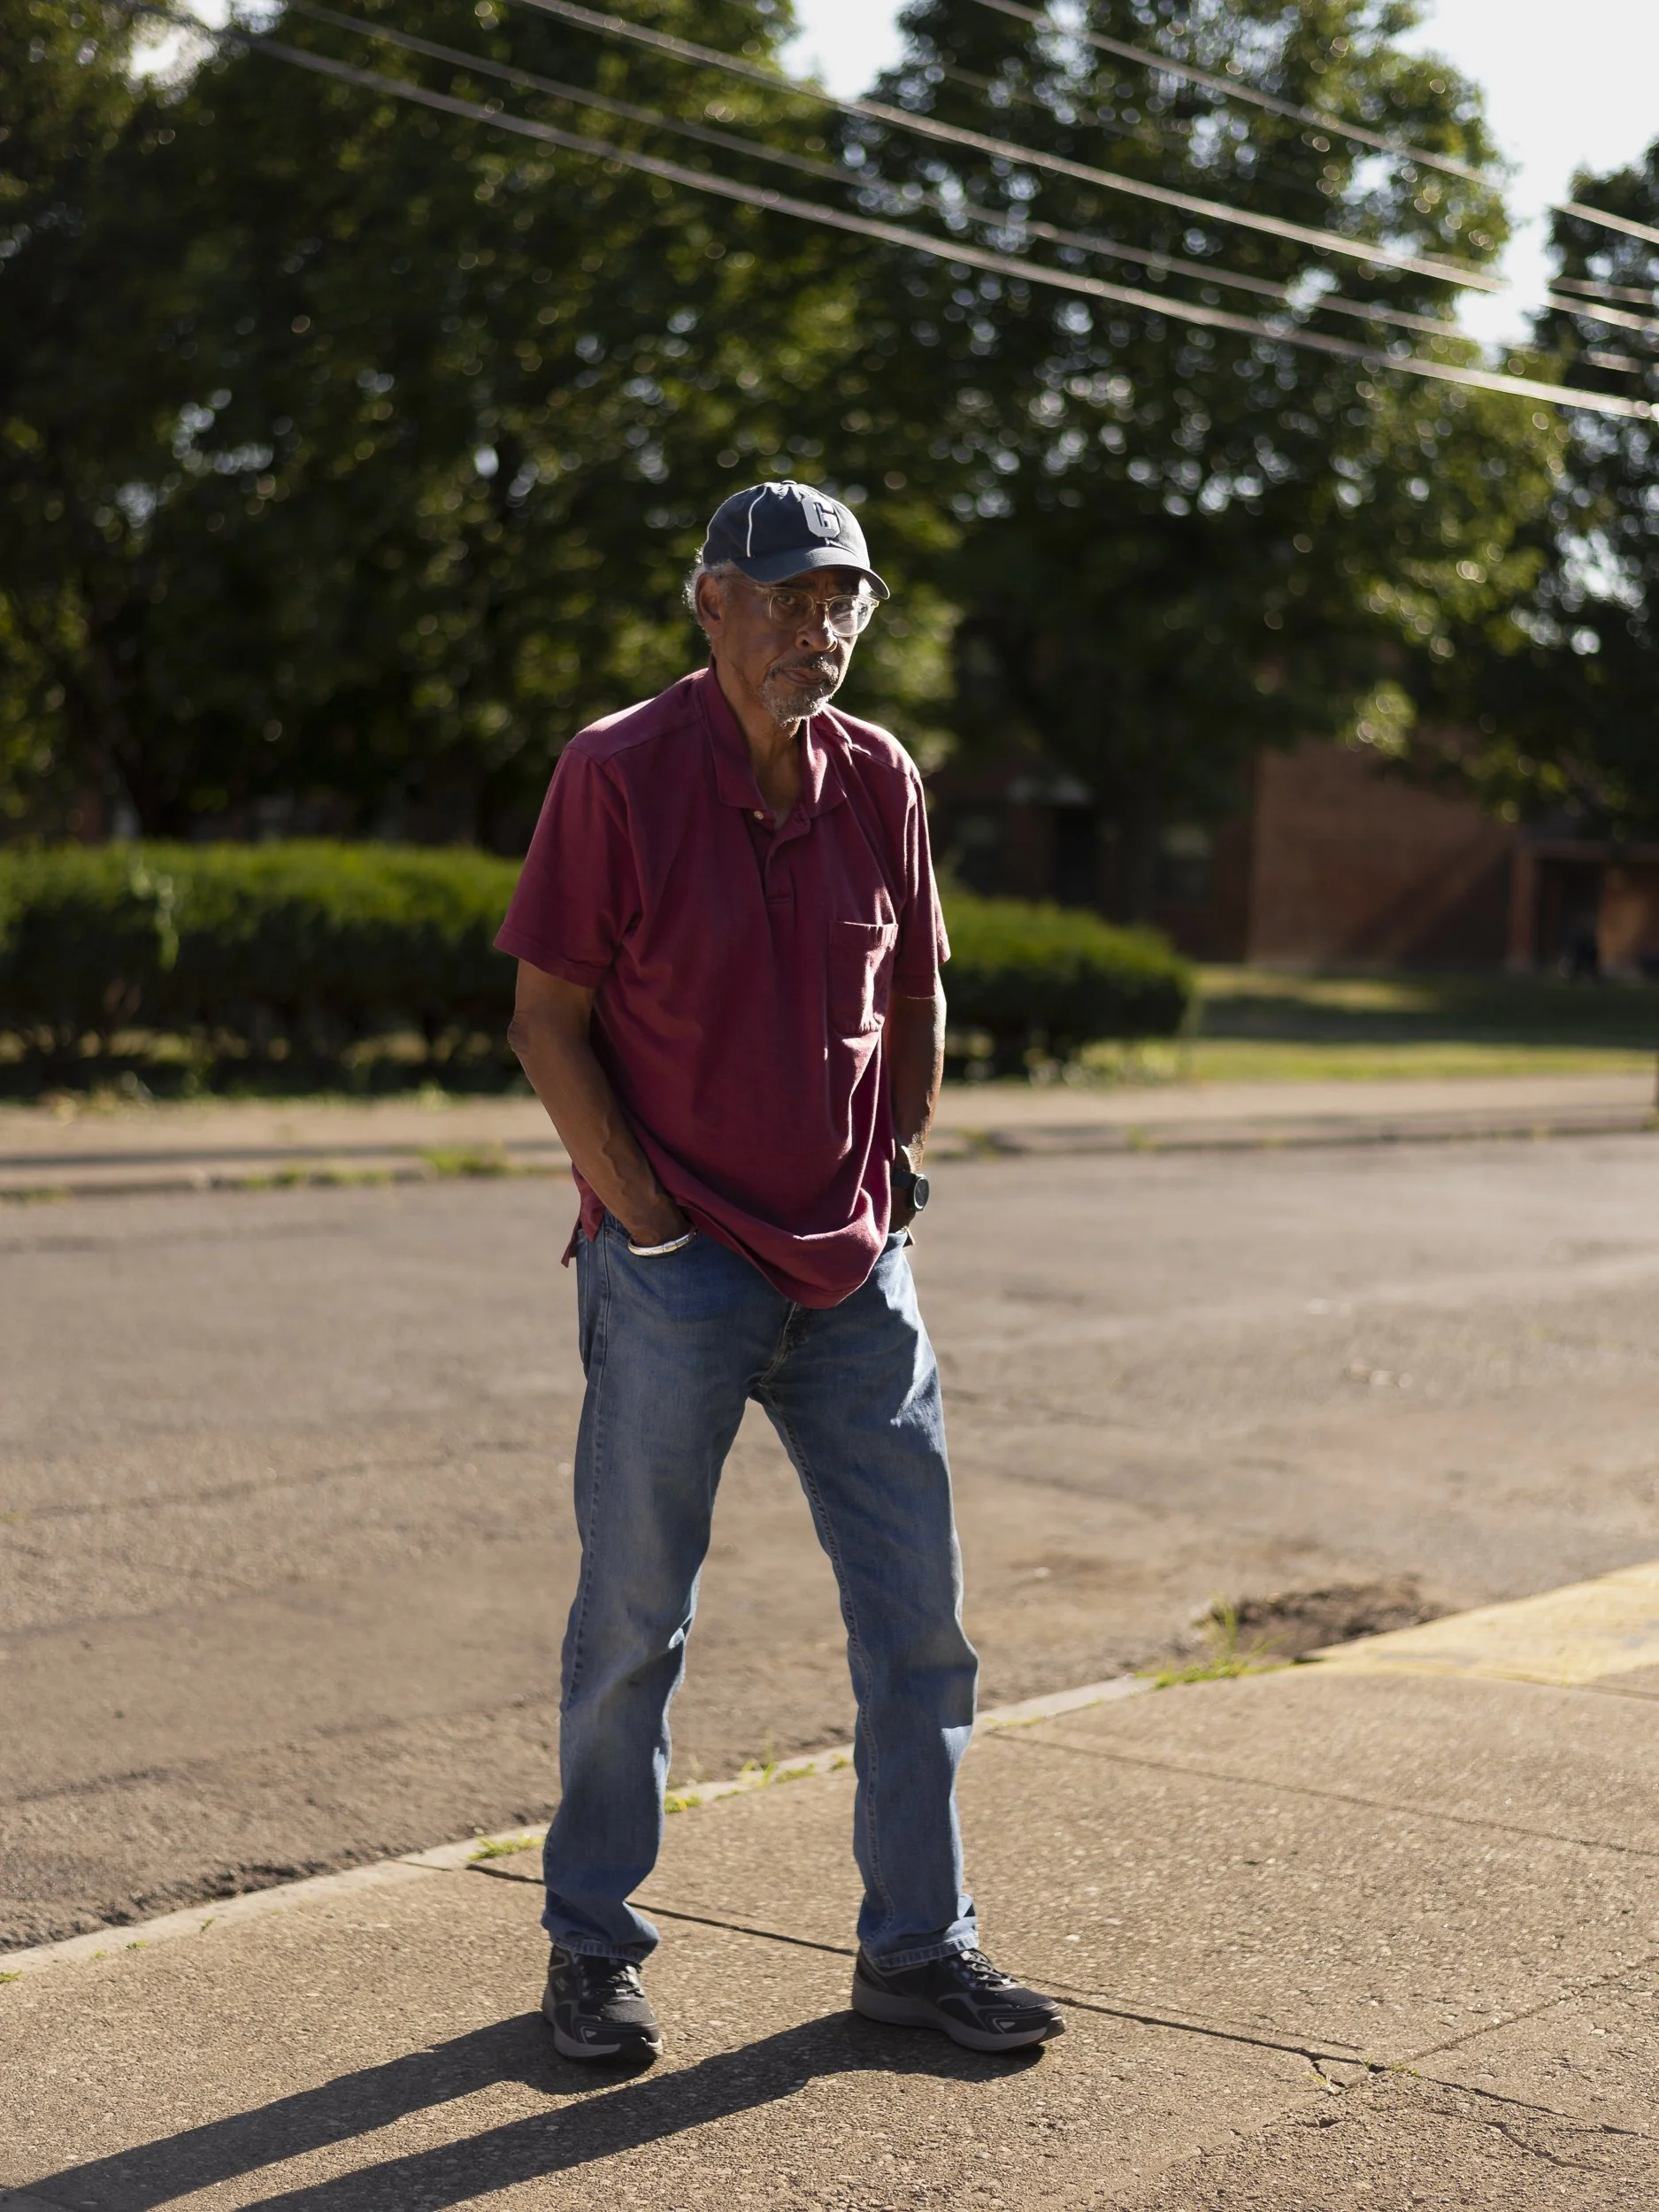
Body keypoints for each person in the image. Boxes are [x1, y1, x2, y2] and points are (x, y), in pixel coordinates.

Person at [496, 480, 1064, 2064]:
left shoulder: (879, 776)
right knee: (635, 1623)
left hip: (852, 1273)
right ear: (711, 606)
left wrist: (892, 1179)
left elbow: (925, 997)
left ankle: (915, 1953)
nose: (817, 632)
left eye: (843, 603)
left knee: (917, 1630)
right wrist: (652, 1227)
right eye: (788, 599)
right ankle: (591, 1948)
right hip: (678, 1271)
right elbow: (546, 1018)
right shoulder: (612, 774)